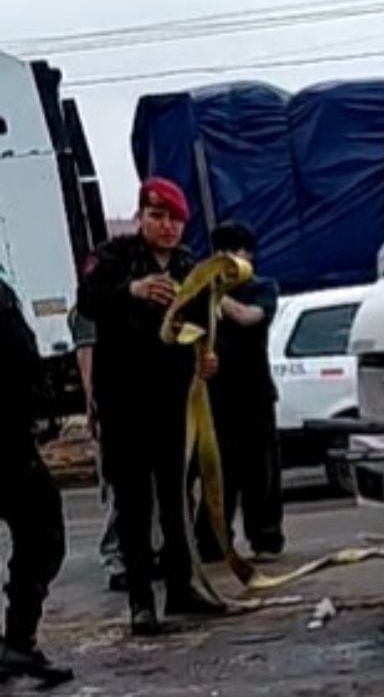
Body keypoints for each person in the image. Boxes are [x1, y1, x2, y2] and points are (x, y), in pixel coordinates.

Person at [77, 176, 225, 636]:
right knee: (134, 505)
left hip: (172, 402)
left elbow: (203, 323)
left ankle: (181, 588)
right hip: (124, 401)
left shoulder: (188, 266)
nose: (166, 227)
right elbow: (87, 303)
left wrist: (208, 357)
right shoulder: (113, 257)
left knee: (177, 499)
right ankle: (142, 602)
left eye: (174, 219)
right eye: (157, 217)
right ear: (141, 217)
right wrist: (132, 291)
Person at [195, 223, 286, 563]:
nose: (226, 259)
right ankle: (213, 540)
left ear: (249, 255)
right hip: (216, 395)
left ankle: (265, 538)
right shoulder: (203, 291)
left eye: (234, 251)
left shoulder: (262, 288)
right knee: (218, 471)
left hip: (255, 393)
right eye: (220, 252)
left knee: (260, 471)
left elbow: (250, 318)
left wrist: (217, 295)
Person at [0, 271, 73, 685]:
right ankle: (17, 644)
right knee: (42, 533)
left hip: (12, 436)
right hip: (6, 441)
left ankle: (17, 642)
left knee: (42, 536)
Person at [68, 305, 128, 592]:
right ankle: (116, 557)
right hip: (113, 407)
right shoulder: (91, 308)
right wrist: (94, 407)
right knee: (118, 485)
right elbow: (86, 356)